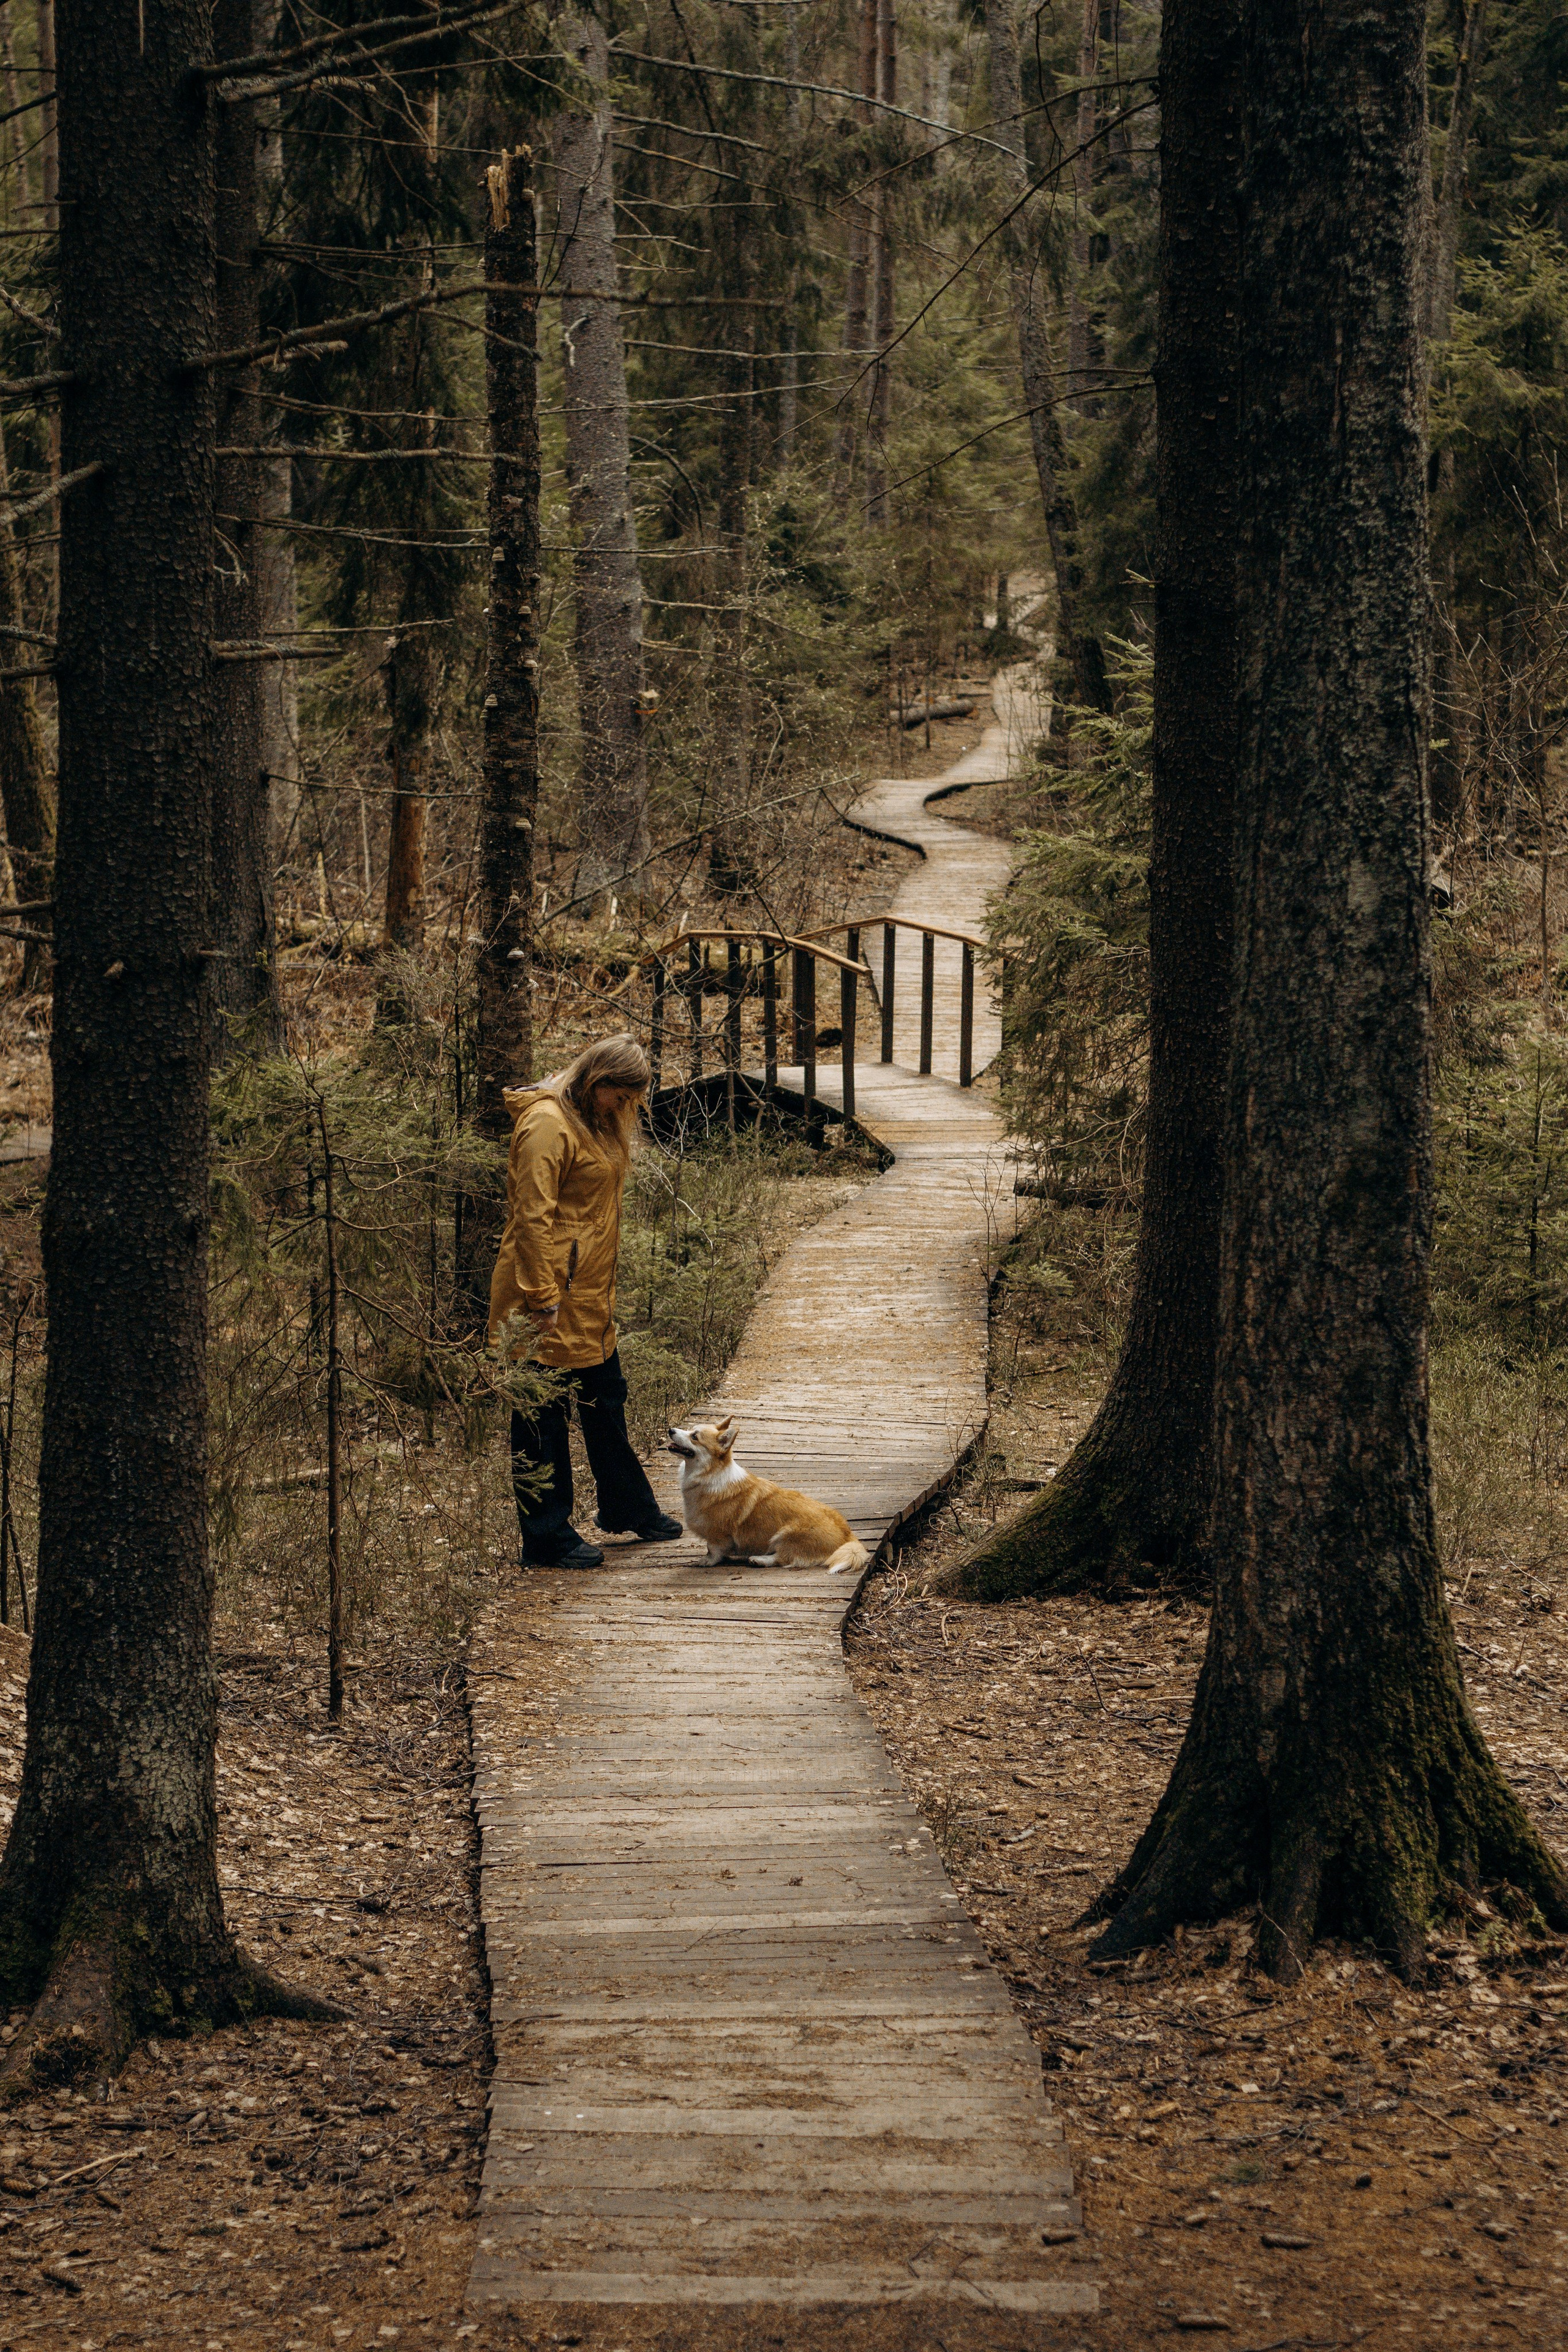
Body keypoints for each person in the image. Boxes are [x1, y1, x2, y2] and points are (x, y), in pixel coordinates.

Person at [488, 1033, 683, 1569]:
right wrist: (541, 1298)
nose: (623, 1109)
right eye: (618, 1097)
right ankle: (547, 1536)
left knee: (606, 1399)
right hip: (544, 1292)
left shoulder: (592, 1119)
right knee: (541, 1420)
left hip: (589, 1294)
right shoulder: (548, 1124)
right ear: (596, 1082)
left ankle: (625, 1506)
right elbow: (532, 1216)